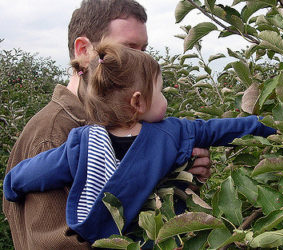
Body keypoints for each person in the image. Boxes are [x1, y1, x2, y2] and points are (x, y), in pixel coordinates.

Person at [4, 40, 277, 244]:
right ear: (138, 101)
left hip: (99, 236)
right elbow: (222, 129)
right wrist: (269, 126)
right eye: (160, 91)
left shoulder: (83, 141)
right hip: (155, 240)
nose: (166, 100)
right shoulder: (171, 132)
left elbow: (38, 170)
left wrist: (12, 184)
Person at [2, 0, 211, 249]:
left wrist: (181, 173)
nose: (140, 61)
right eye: (128, 48)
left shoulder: (123, 120)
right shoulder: (53, 134)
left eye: (143, 50)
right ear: (83, 51)